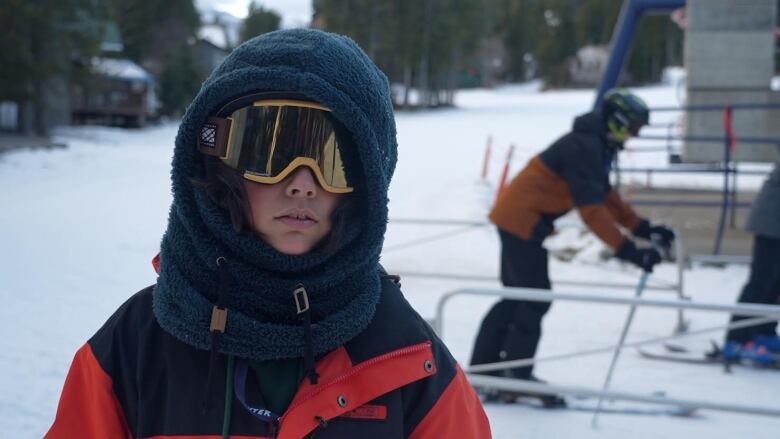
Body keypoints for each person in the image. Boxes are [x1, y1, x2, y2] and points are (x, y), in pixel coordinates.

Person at [47, 29, 490, 439]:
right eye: (269, 152)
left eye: (333, 160)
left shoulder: (407, 360)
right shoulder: (138, 346)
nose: (302, 183)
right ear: (218, 164)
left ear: (368, 185)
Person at [470, 89, 674, 406]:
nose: (633, 136)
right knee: (533, 298)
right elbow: (591, 210)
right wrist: (629, 251)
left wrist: (640, 227)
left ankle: (488, 370)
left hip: (521, 221)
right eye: (634, 129)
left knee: (518, 297)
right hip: (521, 222)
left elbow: (604, 194)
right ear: (619, 122)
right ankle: (514, 376)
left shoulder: (596, 143)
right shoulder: (586, 146)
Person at [721, 164, 780, 365]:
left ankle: (764, 330)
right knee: (761, 280)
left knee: (776, 282)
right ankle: (737, 340)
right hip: (772, 220)